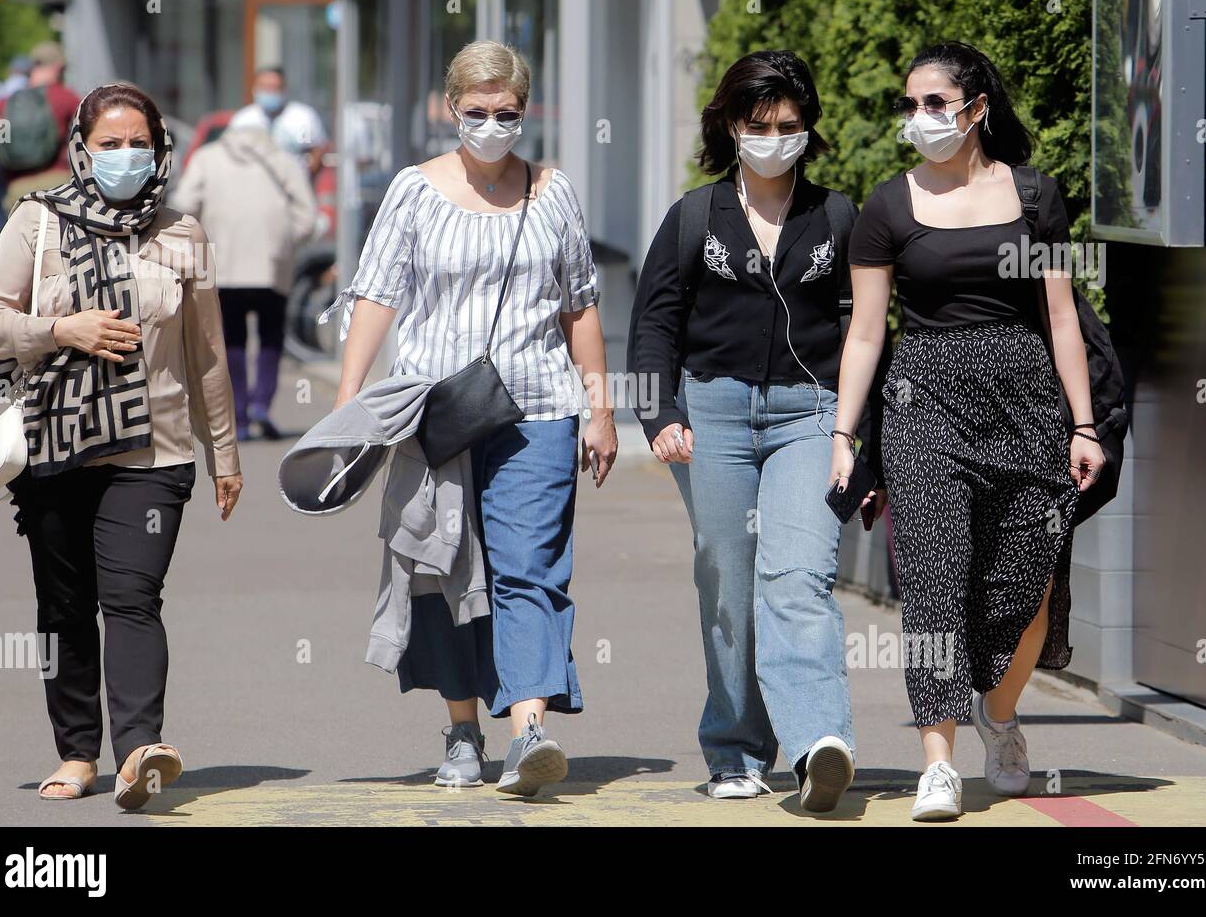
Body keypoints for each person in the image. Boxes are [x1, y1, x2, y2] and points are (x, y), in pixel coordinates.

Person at [330, 40, 616, 797]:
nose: (493, 125)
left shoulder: (553, 191)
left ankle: (527, 731)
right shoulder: (414, 191)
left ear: (527, 112)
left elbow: (579, 303)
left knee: (530, 569)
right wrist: (346, 403)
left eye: (508, 113)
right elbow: (375, 296)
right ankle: (462, 729)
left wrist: (601, 409)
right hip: (436, 414)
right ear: (450, 108)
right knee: (441, 569)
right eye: (478, 111)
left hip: (540, 409)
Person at [831, 42, 1104, 822]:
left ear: (976, 107)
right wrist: (845, 433)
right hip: (925, 402)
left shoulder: (1035, 195)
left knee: (1026, 582)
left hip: (1025, 401)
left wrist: (1082, 424)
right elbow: (867, 335)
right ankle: (938, 759)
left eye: (935, 104)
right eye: (910, 105)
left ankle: (999, 714)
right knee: (933, 583)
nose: (919, 119)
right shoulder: (887, 207)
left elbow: (1061, 317)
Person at [0, 83, 243, 810]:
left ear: (160, 149)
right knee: (64, 604)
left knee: (132, 597)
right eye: (110, 143)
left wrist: (226, 452)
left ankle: (139, 751)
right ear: (82, 148)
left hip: (155, 448)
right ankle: (77, 750)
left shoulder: (184, 233)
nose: (126, 156)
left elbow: (207, 352)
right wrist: (62, 330)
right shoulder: (38, 222)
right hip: (54, 441)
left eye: (139, 143)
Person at [628, 50, 884, 812]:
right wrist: (660, 414)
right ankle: (736, 749)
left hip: (808, 414)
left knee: (797, 575)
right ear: (733, 126)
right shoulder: (693, 217)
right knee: (728, 581)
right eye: (762, 125)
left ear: (809, 130)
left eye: (792, 125)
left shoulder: (837, 216)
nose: (777, 137)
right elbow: (652, 327)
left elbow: (867, 336)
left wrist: (857, 439)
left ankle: (816, 745)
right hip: (711, 414)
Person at [173, 122, 319, 440]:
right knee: (271, 336)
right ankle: (261, 404)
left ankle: (238, 415)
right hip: (272, 264)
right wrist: (285, 242)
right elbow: (307, 216)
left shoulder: (206, 157)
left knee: (230, 340)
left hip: (222, 265)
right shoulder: (282, 158)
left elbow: (184, 204)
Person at [0, 42, 81, 213]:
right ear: (58, 67)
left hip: (17, 190)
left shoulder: (6, 103)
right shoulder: (64, 97)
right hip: (59, 185)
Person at [230, 67, 329, 179]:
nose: (269, 92)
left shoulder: (302, 118)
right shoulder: (244, 120)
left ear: (283, 90)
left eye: (273, 88)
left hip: (293, 184)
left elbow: (314, 149)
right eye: (264, 87)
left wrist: (305, 177)